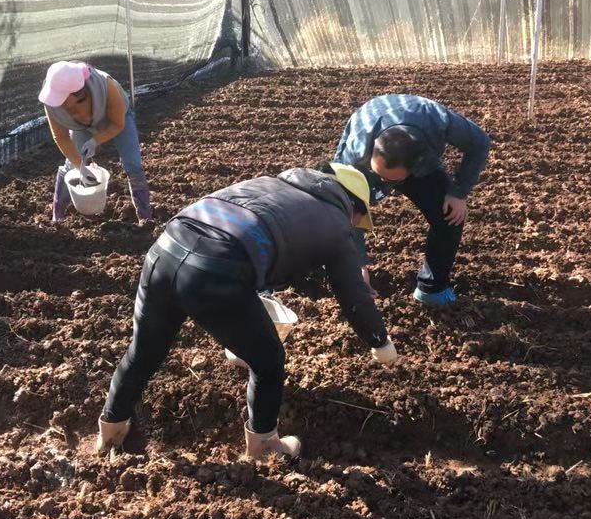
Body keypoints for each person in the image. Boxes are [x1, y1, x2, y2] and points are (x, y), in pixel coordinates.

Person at [97, 163, 398, 460]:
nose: (355, 226)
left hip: (165, 248)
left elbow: (264, 241)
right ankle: (264, 447)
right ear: (353, 205)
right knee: (269, 362)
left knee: (143, 351)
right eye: (358, 220)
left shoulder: (275, 185)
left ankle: (111, 431)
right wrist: (379, 340)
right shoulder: (335, 221)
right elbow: (353, 294)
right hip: (214, 268)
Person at [334, 94, 490, 306]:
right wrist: (358, 264)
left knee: (450, 215)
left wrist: (458, 192)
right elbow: (346, 209)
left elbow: (480, 143)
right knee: (346, 209)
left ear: (416, 168)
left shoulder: (438, 121)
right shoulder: (355, 153)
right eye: (380, 176)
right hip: (365, 164)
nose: (384, 185)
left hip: (418, 147)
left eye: (390, 180)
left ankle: (431, 289)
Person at [39, 61, 152, 222]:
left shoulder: (107, 86)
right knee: (71, 167)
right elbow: (61, 137)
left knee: (133, 165)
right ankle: (58, 218)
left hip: (118, 119)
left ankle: (145, 218)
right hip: (81, 126)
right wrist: (80, 167)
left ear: (76, 93)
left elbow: (117, 124)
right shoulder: (51, 100)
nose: (55, 100)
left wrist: (95, 141)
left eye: (61, 97)